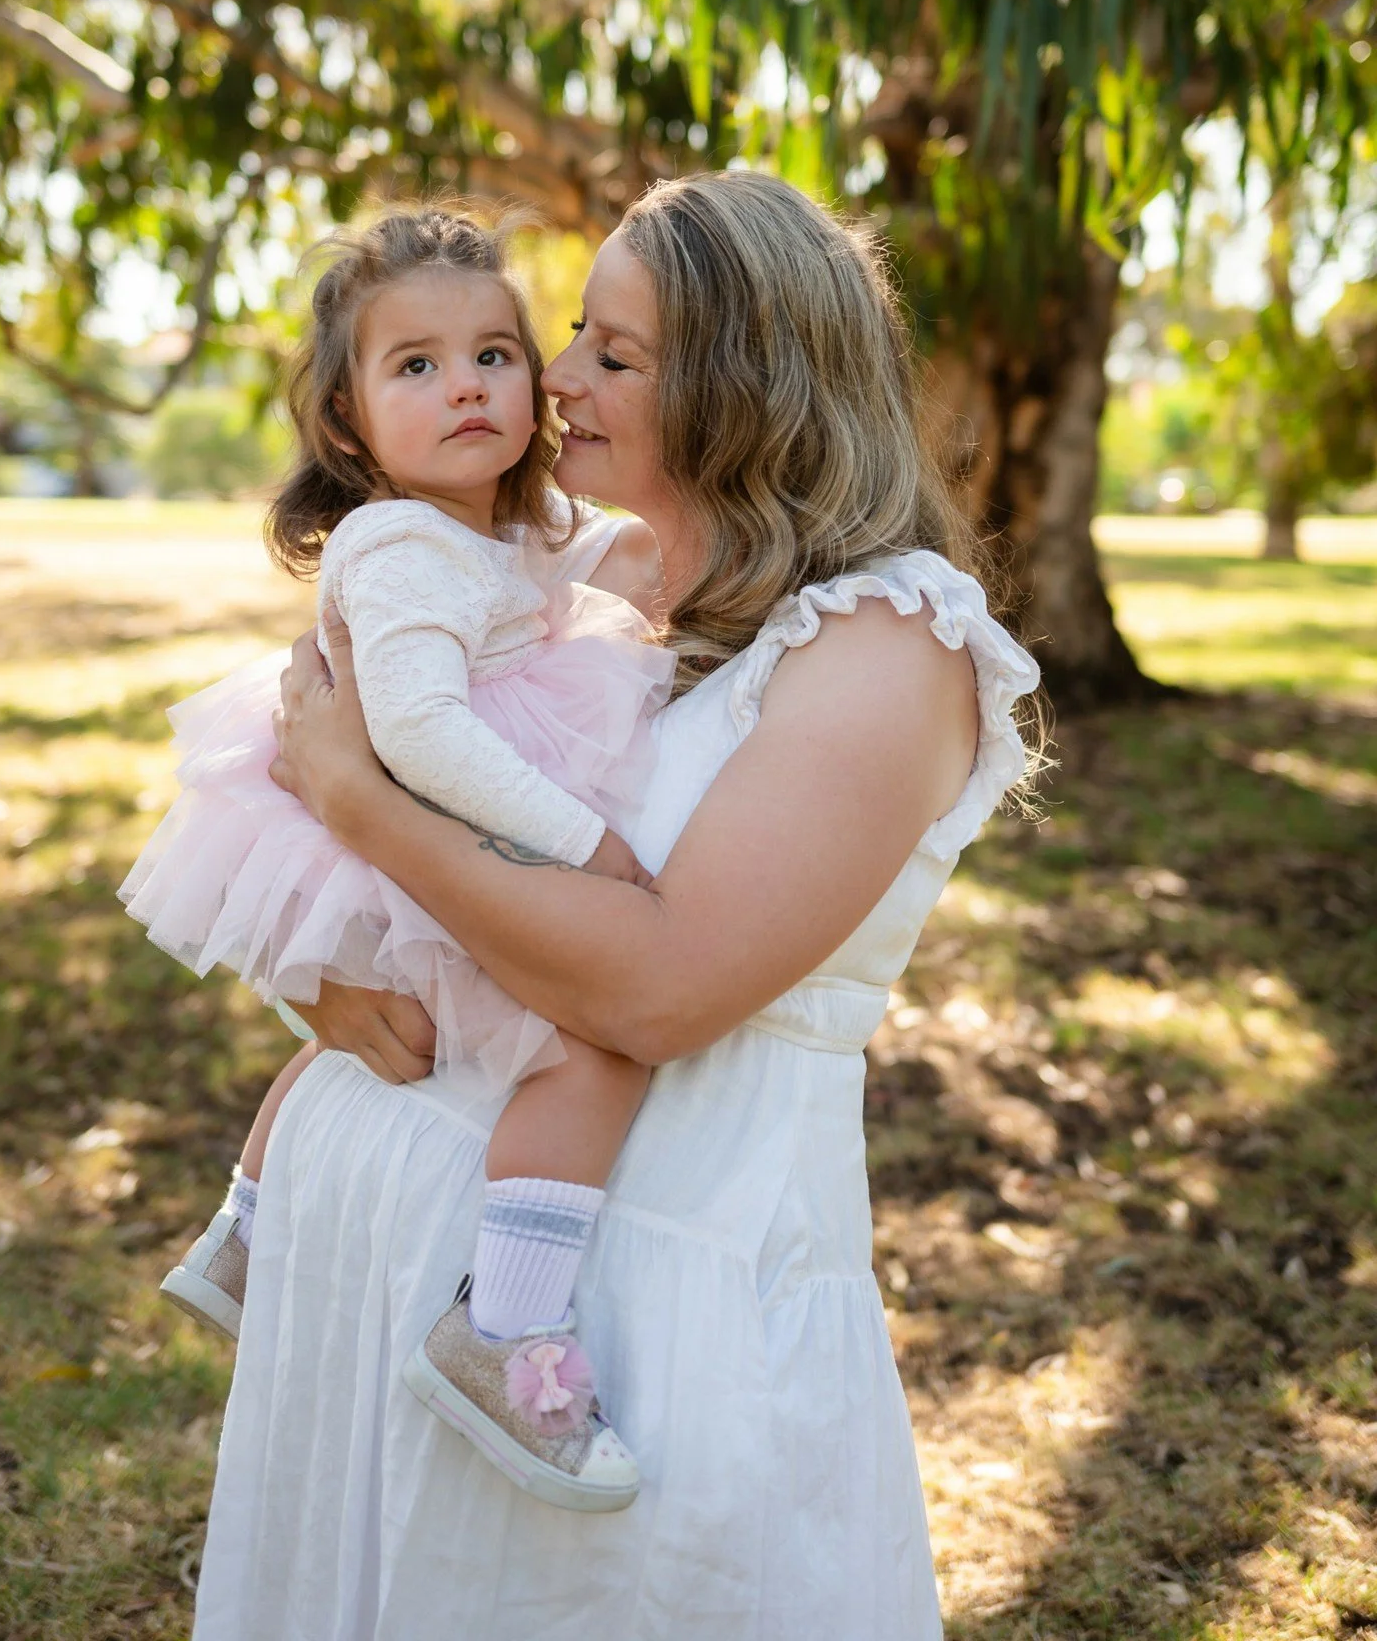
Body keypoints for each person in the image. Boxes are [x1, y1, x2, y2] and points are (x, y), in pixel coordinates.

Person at [192, 170, 1041, 1641]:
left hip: (658, 1299)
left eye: (614, 353)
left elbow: (655, 990)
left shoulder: (890, 643)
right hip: (386, 1253)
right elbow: (333, 831)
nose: (553, 377)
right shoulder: (583, 586)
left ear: (750, 385)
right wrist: (311, 981)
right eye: (571, 331)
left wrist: (360, 803)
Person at [122, 204, 672, 1508]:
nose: (465, 385)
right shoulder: (398, 544)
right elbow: (419, 733)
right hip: (414, 832)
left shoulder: (477, 531)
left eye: (491, 353)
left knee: (347, 1046)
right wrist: (587, 847)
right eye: (413, 366)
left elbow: (582, 562)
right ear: (350, 422)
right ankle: (507, 1331)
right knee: (588, 1053)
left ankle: (249, 1235)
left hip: (394, 845)